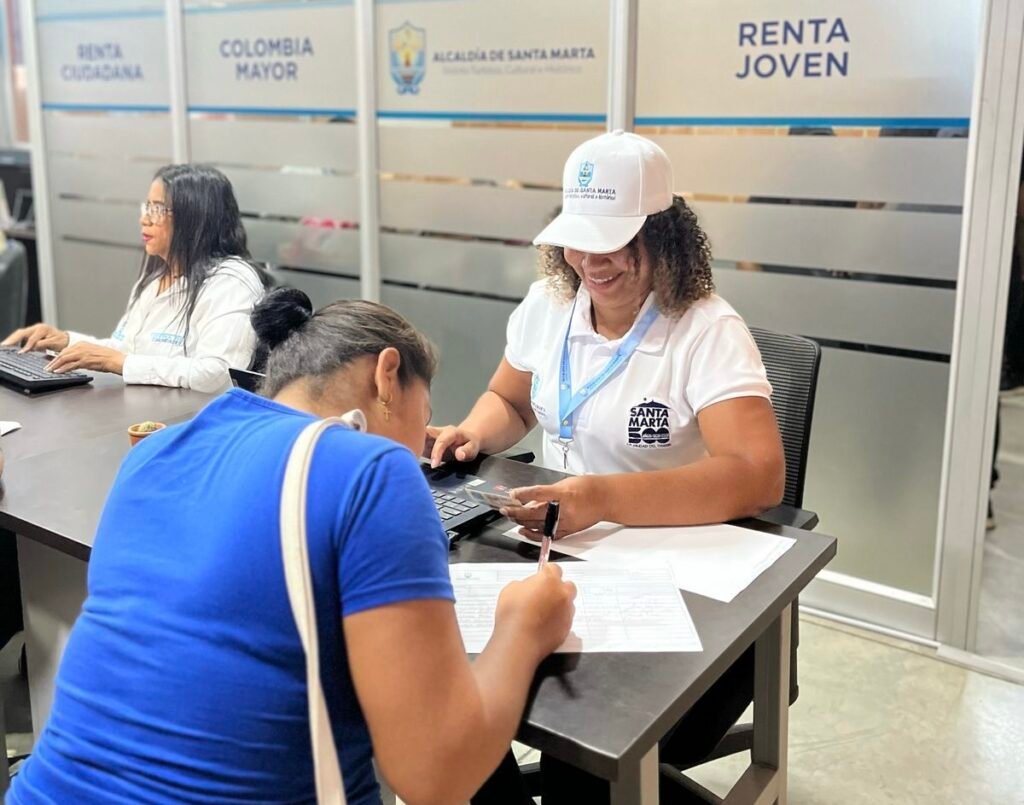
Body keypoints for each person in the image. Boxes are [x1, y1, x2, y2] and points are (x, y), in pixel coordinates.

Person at [6, 289, 577, 805]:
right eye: (421, 418)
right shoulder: (373, 468)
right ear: (387, 375)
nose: (420, 454)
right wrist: (524, 626)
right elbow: (436, 780)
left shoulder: (156, 452)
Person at [429, 130, 785, 801]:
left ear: (664, 237)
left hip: (674, 579)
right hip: (558, 555)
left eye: (615, 242)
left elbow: (758, 474)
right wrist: (472, 432)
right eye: (577, 239)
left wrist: (600, 498)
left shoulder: (706, 330)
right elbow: (511, 400)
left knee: (582, 757)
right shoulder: (550, 306)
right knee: (446, 690)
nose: (590, 260)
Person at [2, 165, 267, 393]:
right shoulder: (157, 277)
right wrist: (66, 341)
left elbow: (218, 374)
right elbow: (126, 349)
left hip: (192, 419)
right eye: (147, 207)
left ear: (196, 217)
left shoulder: (231, 282)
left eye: (158, 209)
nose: (144, 219)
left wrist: (120, 362)